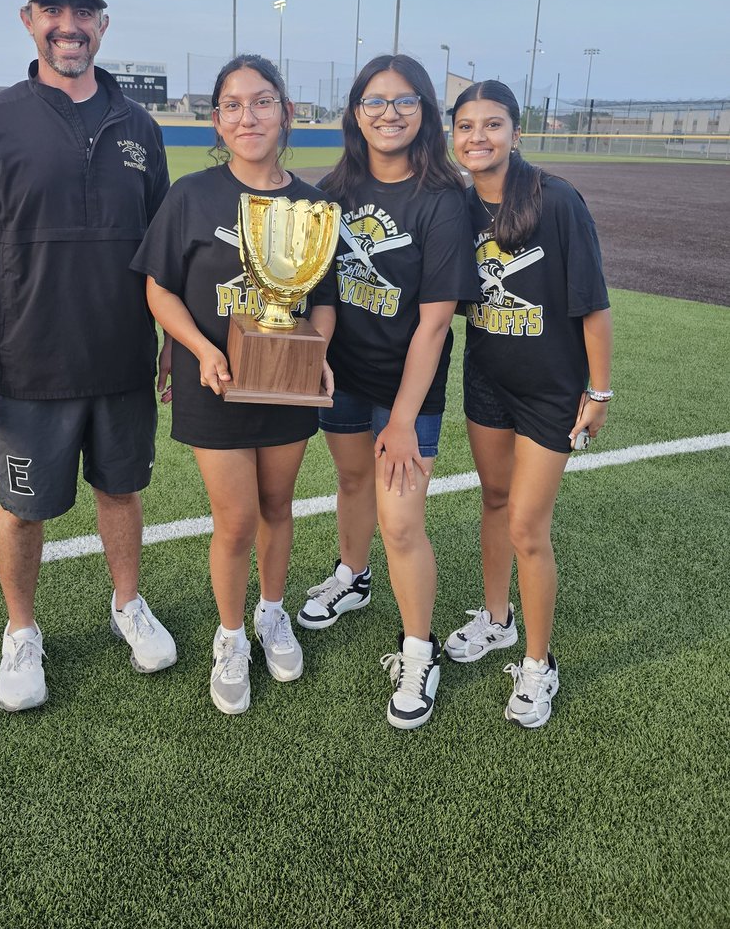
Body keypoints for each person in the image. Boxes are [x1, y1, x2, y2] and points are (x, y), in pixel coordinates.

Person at [0, 0, 176, 713]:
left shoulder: (139, 126)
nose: (69, 26)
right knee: (24, 508)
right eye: (52, 11)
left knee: (122, 492)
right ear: (30, 20)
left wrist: (170, 339)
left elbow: (161, 248)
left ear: (102, 23)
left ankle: (126, 605)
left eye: (83, 13)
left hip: (124, 359)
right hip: (29, 362)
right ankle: (21, 630)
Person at [132, 54, 336, 715]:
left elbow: (324, 299)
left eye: (262, 101)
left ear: (287, 113)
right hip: (213, 383)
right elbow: (158, 287)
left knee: (279, 506)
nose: (248, 116)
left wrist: (315, 351)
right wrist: (197, 350)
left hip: (284, 384)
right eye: (233, 105)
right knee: (237, 519)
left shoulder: (311, 205)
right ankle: (229, 636)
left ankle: (271, 615)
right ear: (217, 120)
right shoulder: (192, 196)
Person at [295, 55, 480, 730]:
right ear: (355, 111)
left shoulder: (442, 199)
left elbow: (434, 324)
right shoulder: (332, 189)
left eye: (404, 101)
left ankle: (418, 648)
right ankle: (353, 575)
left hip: (409, 387)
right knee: (350, 484)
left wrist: (402, 419)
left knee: (400, 522)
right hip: (342, 376)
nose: (389, 112)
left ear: (426, 112)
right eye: (375, 101)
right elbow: (314, 290)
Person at [444, 80, 613, 729]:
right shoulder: (459, 206)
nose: (477, 137)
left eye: (492, 124)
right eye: (465, 126)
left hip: (551, 390)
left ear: (517, 131)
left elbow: (593, 304)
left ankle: (539, 666)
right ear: (453, 136)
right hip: (487, 380)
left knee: (525, 526)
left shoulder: (557, 201)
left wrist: (597, 390)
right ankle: (497, 620)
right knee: (492, 499)